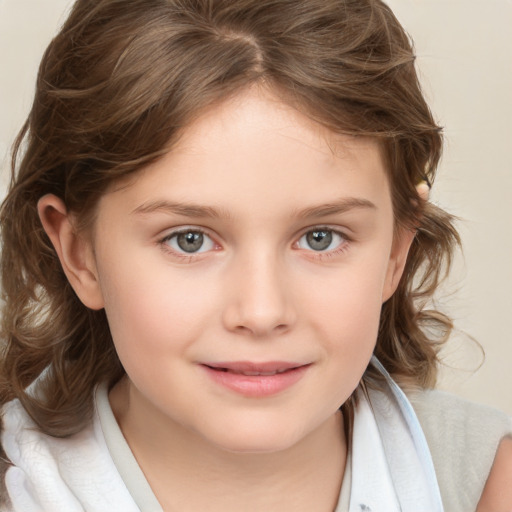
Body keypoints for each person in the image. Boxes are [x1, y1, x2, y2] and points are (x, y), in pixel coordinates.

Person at [0, 0, 511, 510]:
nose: (262, 312)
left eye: (321, 238)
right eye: (189, 240)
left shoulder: (488, 482)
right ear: (79, 252)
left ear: (397, 249)